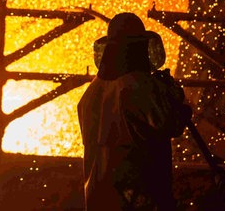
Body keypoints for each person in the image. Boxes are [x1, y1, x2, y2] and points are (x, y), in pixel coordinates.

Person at [78, 12, 192, 210]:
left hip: (98, 195)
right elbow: (172, 123)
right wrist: (174, 97)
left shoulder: (91, 92)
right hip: (137, 195)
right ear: (138, 47)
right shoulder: (138, 85)